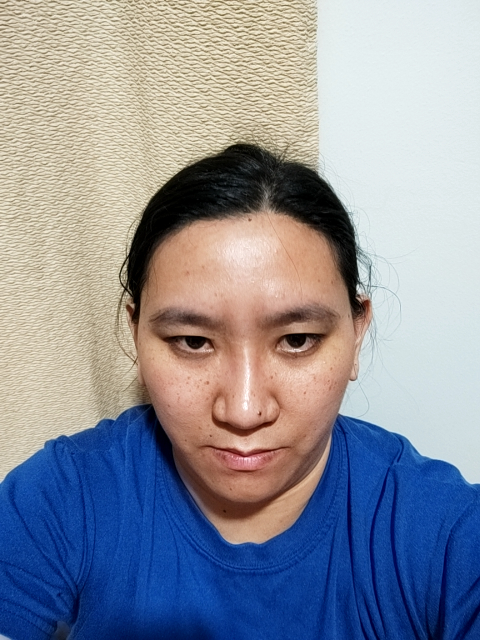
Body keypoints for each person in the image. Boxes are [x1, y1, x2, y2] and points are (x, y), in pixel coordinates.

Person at [0, 144, 479, 640]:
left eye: (297, 340)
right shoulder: (62, 499)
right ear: (136, 334)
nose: (245, 411)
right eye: (192, 342)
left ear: (356, 336)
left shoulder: (444, 534)